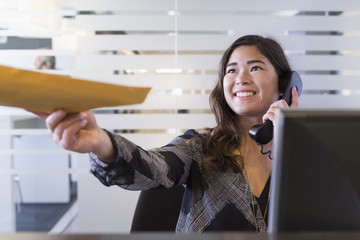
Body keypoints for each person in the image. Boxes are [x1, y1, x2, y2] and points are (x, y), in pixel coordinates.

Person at [35, 35, 299, 233]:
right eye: (231, 70)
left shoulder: (305, 156)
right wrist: (100, 142)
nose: (240, 78)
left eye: (255, 68)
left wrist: (292, 140)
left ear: (285, 85)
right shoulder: (199, 146)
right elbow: (154, 166)